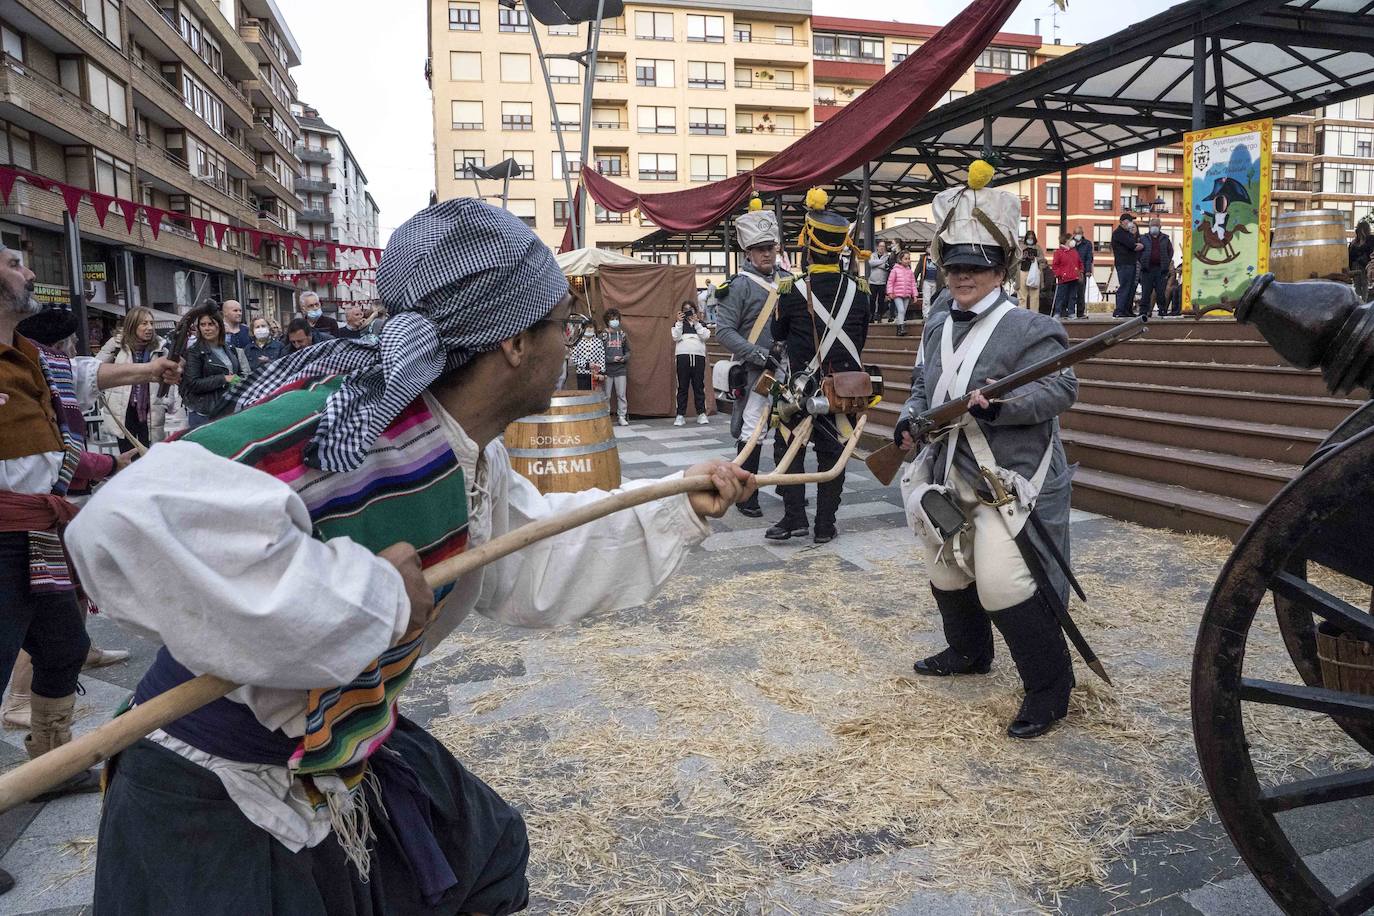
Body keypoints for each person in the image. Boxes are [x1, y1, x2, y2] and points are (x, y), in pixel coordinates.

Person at [65, 198, 754, 915]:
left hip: (335, 743)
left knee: (487, 854)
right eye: (561, 324)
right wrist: (360, 595)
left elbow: (528, 552)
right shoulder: (343, 426)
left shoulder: (460, 449)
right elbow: (121, 524)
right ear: (515, 342)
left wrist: (674, 503)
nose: (568, 341)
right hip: (214, 795)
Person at [0, 245, 180, 898]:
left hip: (35, 532)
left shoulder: (29, 354)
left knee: (64, 647)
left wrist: (150, 370)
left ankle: (48, 766)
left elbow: (80, 385)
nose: (28, 270)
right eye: (12, 261)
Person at [893, 173, 1079, 740]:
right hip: (949, 470)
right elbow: (923, 386)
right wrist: (909, 418)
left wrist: (1001, 406)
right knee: (943, 568)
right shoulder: (936, 326)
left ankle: (1049, 690)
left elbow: (1061, 389)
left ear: (1003, 270)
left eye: (977, 265)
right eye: (953, 265)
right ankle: (969, 653)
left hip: (1010, 479)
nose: (963, 275)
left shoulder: (1033, 326)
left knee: (1003, 584)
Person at [767, 188, 870, 544]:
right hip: (845, 389)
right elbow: (861, 339)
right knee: (833, 456)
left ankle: (795, 518)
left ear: (809, 243)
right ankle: (825, 525)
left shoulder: (790, 290)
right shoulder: (861, 291)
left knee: (787, 449)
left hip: (801, 389)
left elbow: (777, 333)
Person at [714, 203, 791, 519]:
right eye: (760, 249)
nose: (767, 254)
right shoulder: (737, 286)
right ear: (748, 252)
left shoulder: (788, 279)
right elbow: (723, 331)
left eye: (770, 248)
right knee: (754, 429)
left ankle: (789, 489)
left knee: (788, 424)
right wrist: (759, 355)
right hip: (757, 372)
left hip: (788, 369)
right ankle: (747, 494)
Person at [96, 306, 167, 451]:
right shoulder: (116, 344)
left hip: (151, 407)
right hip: (123, 407)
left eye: (151, 323)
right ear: (132, 325)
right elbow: (96, 368)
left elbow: (169, 379)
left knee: (149, 453)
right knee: (127, 453)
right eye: (144, 323)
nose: (149, 328)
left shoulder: (160, 348)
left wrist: (166, 402)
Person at [182, 304, 250, 429]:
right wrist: (223, 379)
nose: (207, 328)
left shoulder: (229, 348)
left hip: (229, 408)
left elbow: (239, 373)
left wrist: (239, 380)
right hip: (205, 412)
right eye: (203, 325)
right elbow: (192, 383)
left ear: (219, 326)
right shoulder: (194, 352)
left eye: (211, 324)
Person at [672, 301, 710, 426]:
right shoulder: (679, 324)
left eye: (690, 309)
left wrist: (697, 323)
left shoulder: (701, 324)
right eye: (685, 309)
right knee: (682, 386)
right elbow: (675, 337)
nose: (688, 311)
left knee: (699, 386)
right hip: (683, 357)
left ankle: (701, 413)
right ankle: (680, 415)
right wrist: (678, 322)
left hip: (698, 357)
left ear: (695, 310)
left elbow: (705, 336)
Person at [1137, 218, 1174, 319]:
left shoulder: (1165, 239)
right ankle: (1143, 311)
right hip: (1147, 269)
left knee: (1161, 291)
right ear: (1149, 227)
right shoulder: (1143, 238)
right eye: (1153, 225)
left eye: (1156, 225)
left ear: (1160, 227)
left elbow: (1170, 252)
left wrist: (1166, 263)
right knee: (1146, 291)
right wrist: (1142, 261)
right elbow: (1138, 252)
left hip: (1161, 270)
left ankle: (1162, 310)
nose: (1154, 227)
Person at [1111, 212, 1144, 318]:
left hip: (1131, 263)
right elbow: (1131, 245)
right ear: (1122, 222)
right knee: (1125, 286)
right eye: (1128, 221)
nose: (1130, 223)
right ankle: (1119, 310)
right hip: (1124, 263)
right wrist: (1137, 245)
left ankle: (1127, 310)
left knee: (1131, 288)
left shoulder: (1127, 233)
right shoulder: (1118, 233)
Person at [602, 308, 630, 426]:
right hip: (607, 370)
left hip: (620, 370)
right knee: (606, 396)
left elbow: (628, 351)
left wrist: (624, 358)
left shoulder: (622, 335)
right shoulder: (603, 336)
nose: (614, 321)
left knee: (621, 395)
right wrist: (611, 359)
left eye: (616, 319)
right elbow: (599, 354)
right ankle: (605, 416)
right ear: (607, 321)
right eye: (612, 319)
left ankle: (622, 416)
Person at [1050, 233, 1083, 319]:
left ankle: (1071, 312)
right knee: (1060, 296)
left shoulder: (1074, 252)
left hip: (1074, 277)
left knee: (1073, 296)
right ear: (1066, 241)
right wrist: (1059, 274)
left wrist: (1080, 272)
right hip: (1063, 278)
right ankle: (1057, 312)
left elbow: (1079, 262)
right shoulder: (1058, 252)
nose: (1073, 241)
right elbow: (1055, 265)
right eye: (1071, 239)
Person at [887, 249, 918, 335]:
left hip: (907, 294)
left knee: (903, 311)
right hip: (897, 294)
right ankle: (901, 327)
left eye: (909, 258)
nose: (908, 260)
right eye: (905, 259)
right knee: (901, 310)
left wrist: (915, 295)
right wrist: (890, 292)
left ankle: (899, 328)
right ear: (900, 260)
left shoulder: (910, 272)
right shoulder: (895, 270)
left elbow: (913, 284)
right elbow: (890, 282)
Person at [569, 318, 605, 391]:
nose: (589, 330)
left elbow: (602, 358)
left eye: (591, 328)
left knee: (595, 394)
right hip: (582, 373)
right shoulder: (577, 342)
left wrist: (601, 372)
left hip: (595, 375)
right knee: (583, 394)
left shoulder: (598, 342)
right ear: (583, 329)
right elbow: (573, 358)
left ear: (594, 329)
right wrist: (586, 364)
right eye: (587, 327)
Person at [1017, 230, 1044, 311]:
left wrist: (1034, 258)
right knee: (1022, 295)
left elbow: (1043, 259)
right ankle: (1022, 313)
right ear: (1026, 238)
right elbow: (1016, 258)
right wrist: (1022, 257)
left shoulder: (1038, 248)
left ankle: (1034, 313)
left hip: (1034, 272)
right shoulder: (1021, 247)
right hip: (1022, 271)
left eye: (1032, 238)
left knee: (1034, 295)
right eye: (1029, 238)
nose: (1030, 240)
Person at [868, 240, 892, 323]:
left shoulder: (888, 256)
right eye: (880, 246)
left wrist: (876, 264)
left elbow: (887, 266)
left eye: (883, 246)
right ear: (877, 247)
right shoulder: (873, 255)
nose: (882, 248)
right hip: (872, 282)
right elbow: (871, 263)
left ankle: (879, 316)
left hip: (882, 282)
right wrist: (882, 262)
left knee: (881, 301)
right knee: (872, 300)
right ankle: (871, 316)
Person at [1073, 226, 1094, 319]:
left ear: (1082, 234)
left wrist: (1088, 270)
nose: (1077, 235)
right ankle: (1070, 311)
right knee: (1071, 292)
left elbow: (1089, 258)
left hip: (1081, 271)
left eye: (1079, 233)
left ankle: (1080, 312)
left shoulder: (1087, 244)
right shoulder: (1071, 243)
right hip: (1071, 270)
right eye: (1076, 233)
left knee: (1081, 292)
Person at [1350, 221, 1373, 301]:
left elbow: (1369, 251)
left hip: (1364, 265)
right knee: (1358, 286)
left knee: (1364, 285)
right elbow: (1351, 255)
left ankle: (1363, 302)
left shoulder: (1370, 239)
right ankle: (1359, 301)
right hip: (1357, 266)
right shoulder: (1355, 242)